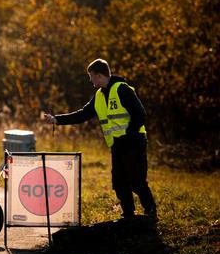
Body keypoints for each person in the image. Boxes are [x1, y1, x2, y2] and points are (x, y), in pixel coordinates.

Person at [43, 58, 157, 221]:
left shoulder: (122, 89)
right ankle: (129, 216)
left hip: (134, 143)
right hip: (117, 145)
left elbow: (140, 115)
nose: (90, 80)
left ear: (98, 75)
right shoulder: (99, 95)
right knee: (119, 183)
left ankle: (151, 213)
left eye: (91, 76)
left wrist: (128, 136)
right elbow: (83, 114)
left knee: (136, 181)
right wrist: (57, 120)